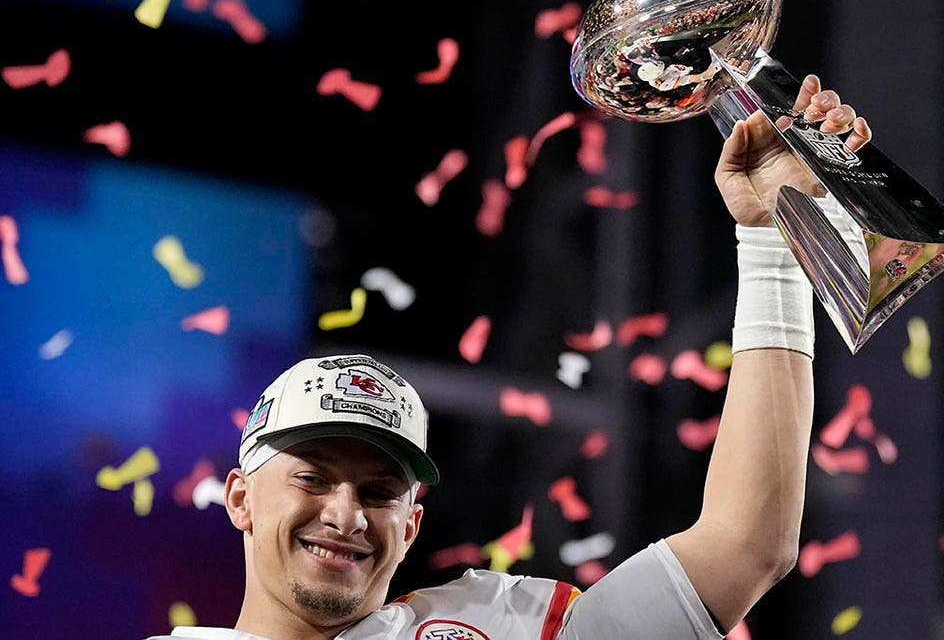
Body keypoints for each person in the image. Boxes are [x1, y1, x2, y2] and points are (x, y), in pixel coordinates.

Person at [146, 73, 871, 640]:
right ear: (240, 496)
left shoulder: (491, 623)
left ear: (412, 526)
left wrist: (774, 243)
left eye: (377, 493)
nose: (346, 513)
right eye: (313, 477)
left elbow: (747, 546)